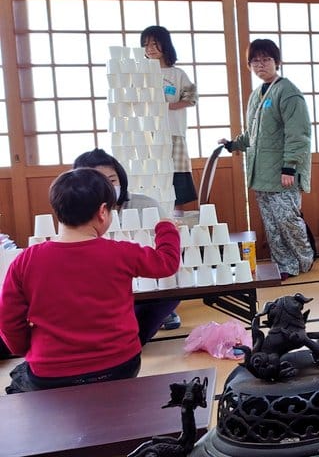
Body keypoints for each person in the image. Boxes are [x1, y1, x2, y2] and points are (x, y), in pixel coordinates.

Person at [0, 168, 180, 394]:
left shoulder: (26, 260)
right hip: (120, 366)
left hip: (51, 373)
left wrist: (25, 349)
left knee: (19, 377)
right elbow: (166, 263)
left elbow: (8, 320)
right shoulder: (121, 253)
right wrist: (166, 229)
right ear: (103, 212)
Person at [219, 39, 313, 280]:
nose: (260, 65)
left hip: (283, 173)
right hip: (260, 173)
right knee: (272, 225)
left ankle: (304, 259)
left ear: (277, 62)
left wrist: (289, 167)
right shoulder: (255, 95)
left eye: (266, 59)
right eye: (255, 61)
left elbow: (299, 133)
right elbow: (253, 133)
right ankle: (284, 265)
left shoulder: (288, 91)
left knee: (287, 220)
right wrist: (233, 144)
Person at [73, 148, 182, 337]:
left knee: (168, 293)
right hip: (104, 284)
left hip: (146, 276)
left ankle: (137, 334)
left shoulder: (146, 205)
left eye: (112, 180)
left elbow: (167, 253)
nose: (107, 187)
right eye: (98, 181)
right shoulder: (77, 213)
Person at [141, 25, 198, 213]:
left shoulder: (177, 74)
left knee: (176, 183)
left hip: (174, 133)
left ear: (165, 45)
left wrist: (166, 106)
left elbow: (191, 98)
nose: (149, 48)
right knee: (152, 181)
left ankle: (177, 223)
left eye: (154, 44)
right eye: (146, 45)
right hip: (147, 136)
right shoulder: (141, 73)